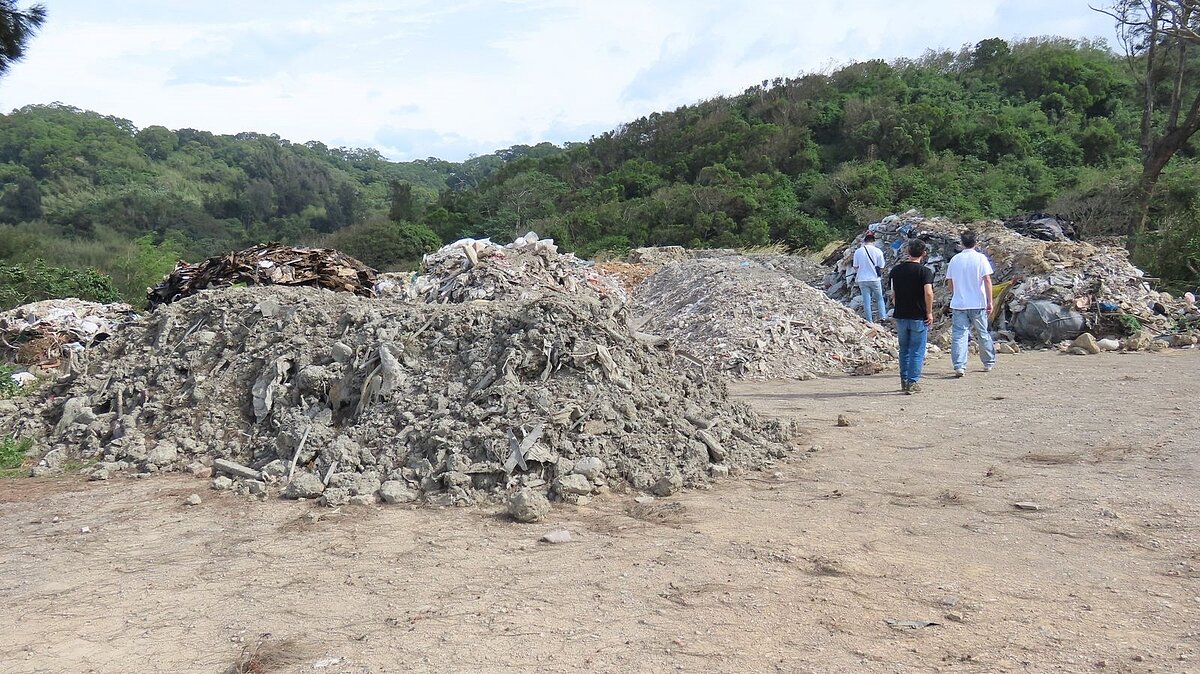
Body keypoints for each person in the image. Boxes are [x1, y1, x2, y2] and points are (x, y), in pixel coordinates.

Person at [945, 230, 996, 377]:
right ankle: (988, 362)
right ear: (976, 242)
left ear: (961, 243)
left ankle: (959, 366)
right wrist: (990, 301)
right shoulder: (981, 258)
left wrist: (957, 293)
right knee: (982, 333)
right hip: (978, 303)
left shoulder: (955, 259)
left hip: (959, 304)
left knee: (959, 335)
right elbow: (987, 280)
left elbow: (950, 284)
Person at [888, 238, 935, 394]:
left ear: (908, 252)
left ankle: (904, 380)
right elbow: (928, 293)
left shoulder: (896, 271)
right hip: (919, 316)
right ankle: (912, 382)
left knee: (904, 350)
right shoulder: (925, 272)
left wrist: (898, 306)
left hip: (901, 315)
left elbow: (893, 294)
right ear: (924, 253)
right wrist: (929, 312)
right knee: (916, 350)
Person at [852, 232, 887, 323]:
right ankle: (883, 317)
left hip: (862, 279)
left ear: (864, 241)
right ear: (873, 241)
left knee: (866, 301)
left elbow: (855, 266)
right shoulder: (878, 251)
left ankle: (869, 320)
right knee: (879, 298)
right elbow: (882, 266)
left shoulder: (858, 251)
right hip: (875, 278)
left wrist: (861, 270)